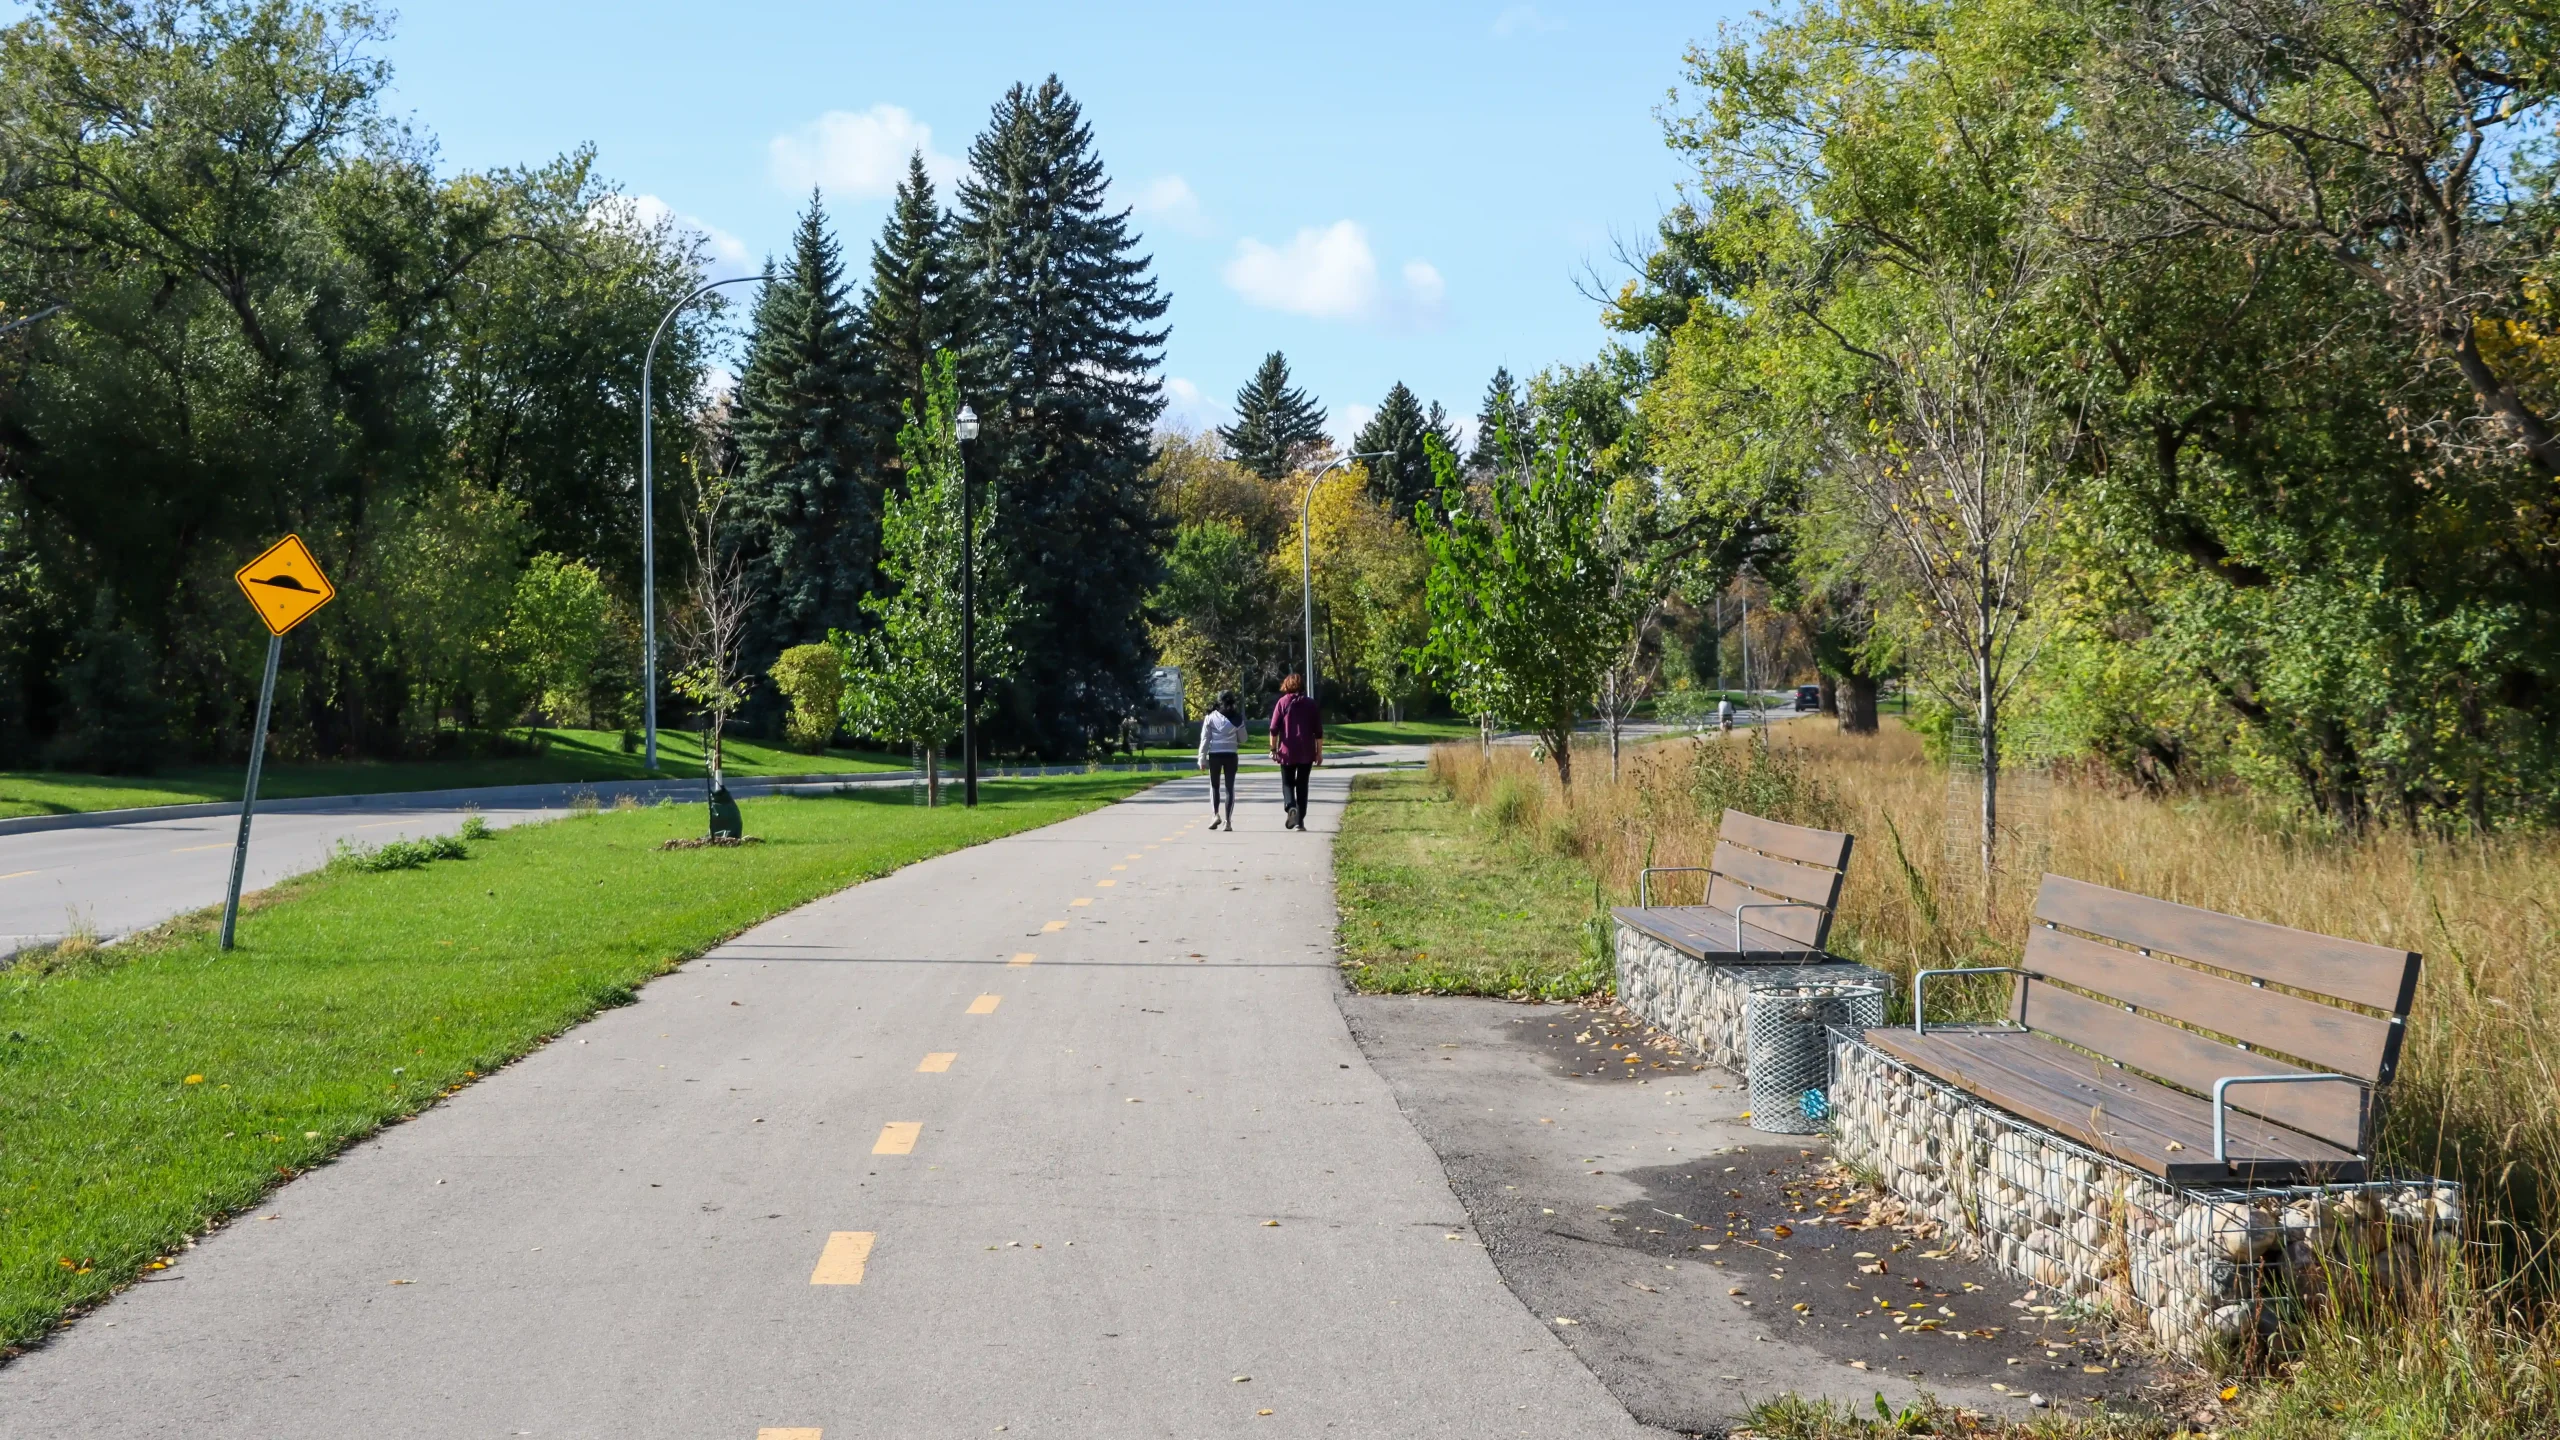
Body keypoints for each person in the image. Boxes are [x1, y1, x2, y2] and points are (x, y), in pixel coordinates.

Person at [1268, 674, 1323, 830]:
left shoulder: (1282, 703)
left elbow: (1273, 729)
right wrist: (1319, 753)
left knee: (1287, 783)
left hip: (1287, 751)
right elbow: (1318, 732)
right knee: (1302, 786)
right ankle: (1300, 822)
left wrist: (1273, 749)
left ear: (1286, 686)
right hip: (1306, 751)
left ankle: (1290, 806)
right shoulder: (1311, 704)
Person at [1197, 691, 1243, 830]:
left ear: (1218, 701)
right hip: (1231, 755)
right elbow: (1244, 738)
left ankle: (1215, 814)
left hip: (1215, 755)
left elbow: (1205, 739)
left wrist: (1202, 758)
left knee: (1214, 786)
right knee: (1229, 788)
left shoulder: (1210, 717)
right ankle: (1228, 822)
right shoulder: (1237, 718)